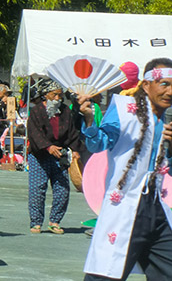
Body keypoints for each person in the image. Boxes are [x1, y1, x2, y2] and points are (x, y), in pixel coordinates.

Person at [80, 58, 172, 280]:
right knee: (106, 271)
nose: (170, 91)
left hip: (157, 207)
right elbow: (99, 143)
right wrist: (90, 121)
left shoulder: (167, 120)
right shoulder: (124, 110)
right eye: (164, 84)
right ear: (146, 85)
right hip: (126, 204)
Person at [26, 79, 83, 235]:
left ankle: (55, 221)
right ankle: (36, 222)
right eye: (54, 95)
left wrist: (75, 149)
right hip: (39, 155)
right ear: (46, 95)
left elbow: (72, 132)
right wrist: (48, 147)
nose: (58, 98)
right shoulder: (37, 111)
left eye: (60, 95)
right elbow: (34, 133)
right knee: (37, 189)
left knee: (62, 189)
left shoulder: (65, 111)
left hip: (60, 154)